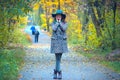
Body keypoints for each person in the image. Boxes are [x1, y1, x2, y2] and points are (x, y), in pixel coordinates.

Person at [51, 9, 68, 79]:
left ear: (62, 17)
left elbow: (64, 29)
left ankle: (55, 71)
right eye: (57, 16)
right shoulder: (53, 23)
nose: (58, 17)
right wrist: (57, 23)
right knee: (57, 58)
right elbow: (54, 29)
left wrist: (60, 23)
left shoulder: (65, 23)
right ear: (55, 17)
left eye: (59, 16)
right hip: (55, 43)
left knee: (58, 58)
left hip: (62, 43)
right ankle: (59, 72)